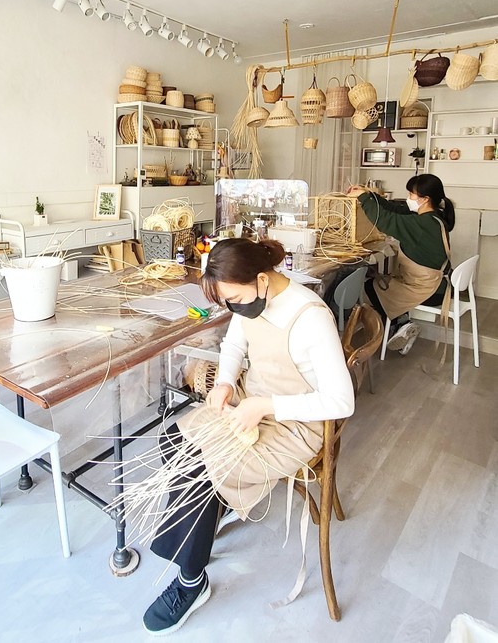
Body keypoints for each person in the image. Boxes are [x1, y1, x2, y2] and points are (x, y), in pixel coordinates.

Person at [142, 237, 354, 635]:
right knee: (174, 438)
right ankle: (211, 511)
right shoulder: (250, 299)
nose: (234, 307)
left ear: (262, 278)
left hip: (295, 423)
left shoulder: (310, 317)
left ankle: (191, 581)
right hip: (252, 400)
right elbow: (234, 344)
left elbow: (342, 401)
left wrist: (267, 406)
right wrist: (224, 382)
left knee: (201, 467)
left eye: (235, 298)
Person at [347, 174, 454, 355]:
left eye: (411, 194)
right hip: (437, 284)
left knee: (371, 286)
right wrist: (370, 194)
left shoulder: (421, 224)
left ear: (425, 199)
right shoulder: (434, 218)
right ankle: (401, 324)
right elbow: (395, 209)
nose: (408, 198)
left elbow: (385, 219)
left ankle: (400, 325)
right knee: (382, 281)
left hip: (429, 290)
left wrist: (363, 198)